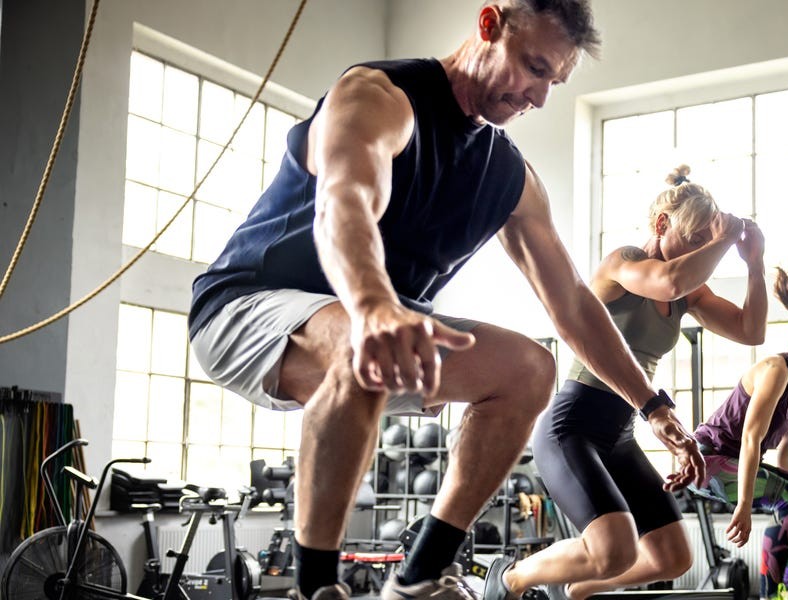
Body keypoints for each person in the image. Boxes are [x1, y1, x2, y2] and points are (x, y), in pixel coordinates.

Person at [187, 3, 706, 599]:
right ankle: (314, 586)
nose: (539, 98)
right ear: (489, 25)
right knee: (363, 346)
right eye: (534, 68)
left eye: (554, 83)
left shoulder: (509, 175)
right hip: (248, 305)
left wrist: (652, 406)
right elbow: (345, 201)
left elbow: (573, 305)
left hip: (374, 322)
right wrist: (373, 305)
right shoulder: (379, 98)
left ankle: (418, 578)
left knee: (530, 369)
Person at [485, 165, 768, 600]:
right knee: (613, 547)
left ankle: (575, 589)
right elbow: (669, 282)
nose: (701, 251)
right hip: (570, 427)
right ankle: (510, 577)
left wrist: (754, 264)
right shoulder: (624, 263)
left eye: (704, 243)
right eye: (694, 239)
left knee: (672, 557)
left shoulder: (689, 293)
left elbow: (751, 331)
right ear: (662, 224)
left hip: (620, 433)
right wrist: (724, 239)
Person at [692, 265, 788, 600]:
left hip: (737, 461)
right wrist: (745, 504)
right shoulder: (777, 369)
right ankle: (771, 595)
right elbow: (752, 438)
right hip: (706, 461)